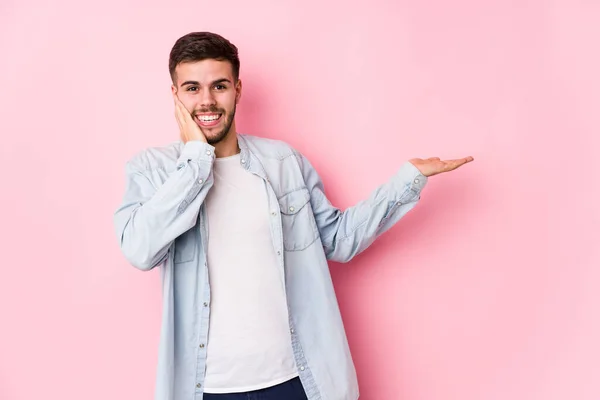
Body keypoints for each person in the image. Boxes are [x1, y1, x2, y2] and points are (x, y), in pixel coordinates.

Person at [113, 31, 474, 400]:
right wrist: (195, 161)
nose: (207, 101)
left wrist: (407, 180)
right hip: (206, 389)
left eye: (219, 86)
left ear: (238, 89)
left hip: (294, 382)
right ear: (175, 95)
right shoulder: (152, 171)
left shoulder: (283, 162)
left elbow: (337, 240)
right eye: (192, 88)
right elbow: (140, 250)